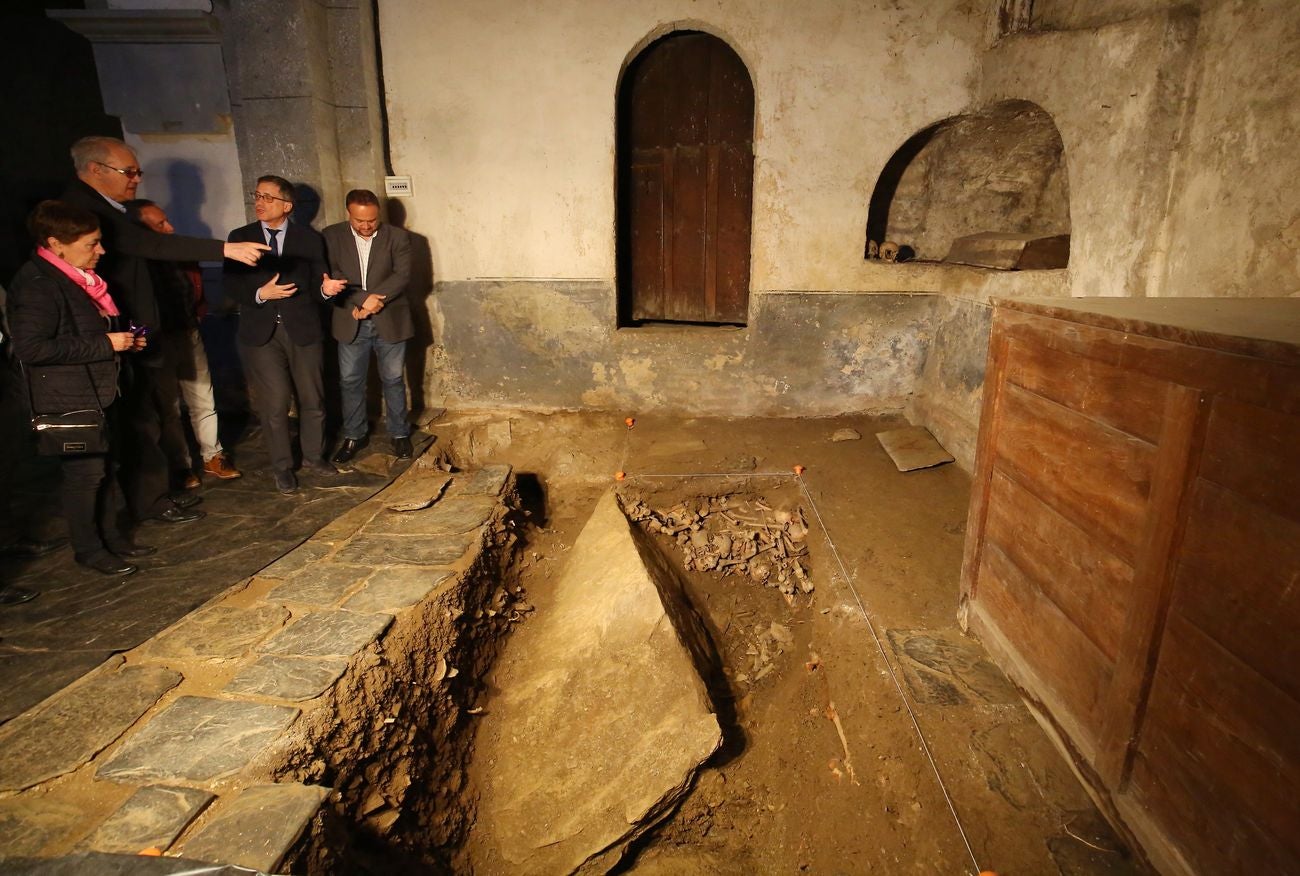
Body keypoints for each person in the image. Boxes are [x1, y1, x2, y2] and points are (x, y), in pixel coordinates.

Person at [61, 136, 267, 523]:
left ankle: (154, 496)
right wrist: (224, 249)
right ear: (94, 170)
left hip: (140, 328)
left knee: (150, 415)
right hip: (110, 335)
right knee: (142, 420)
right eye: (129, 172)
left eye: (138, 171)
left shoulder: (110, 209)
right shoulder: (82, 210)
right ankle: (140, 504)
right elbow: (145, 245)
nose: (136, 178)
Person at [8, 201, 154, 576]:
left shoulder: (77, 279)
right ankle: (89, 549)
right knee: (85, 477)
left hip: (98, 391)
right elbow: (32, 348)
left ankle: (111, 536)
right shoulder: (39, 284)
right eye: (91, 244)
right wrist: (107, 344)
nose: (101, 251)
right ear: (57, 244)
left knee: (108, 468)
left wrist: (121, 341)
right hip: (69, 399)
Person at [224, 175, 343, 495]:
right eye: (257, 195)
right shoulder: (240, 237)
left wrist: (326, 289)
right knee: (275, 404)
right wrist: (260, 293)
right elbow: (231, 285)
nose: (259, 202)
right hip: (261, 332)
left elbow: (320, 284)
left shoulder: (308, 238)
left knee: (313, 399)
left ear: (287, 206)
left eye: (267, 197)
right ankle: (282, 467)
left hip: (302, 329)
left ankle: (314, 457)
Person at [124, 199, 242, 486]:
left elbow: (194, 287)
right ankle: (180, 464)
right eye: (160, 224)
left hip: (188, 330)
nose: (170, 227)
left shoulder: (180, 254)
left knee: (203, 396)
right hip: (158, 338)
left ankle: (212, 455)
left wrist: (198, 314)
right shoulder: (136, 263)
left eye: (167, 220)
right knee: (168, 405)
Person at [322, 189, 415, 463]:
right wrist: (363, 300)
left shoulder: (398, 237)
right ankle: (354, 434)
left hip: (391, 320)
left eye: (371, 221)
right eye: (359, 221)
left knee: (394, 379)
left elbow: (402, 275)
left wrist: (375, 304)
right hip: (351, 319)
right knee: (350, 381)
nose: (365, 226)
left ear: (379, 215)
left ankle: (399, 434)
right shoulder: (331, 236)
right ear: (348, 214)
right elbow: (333, 274)